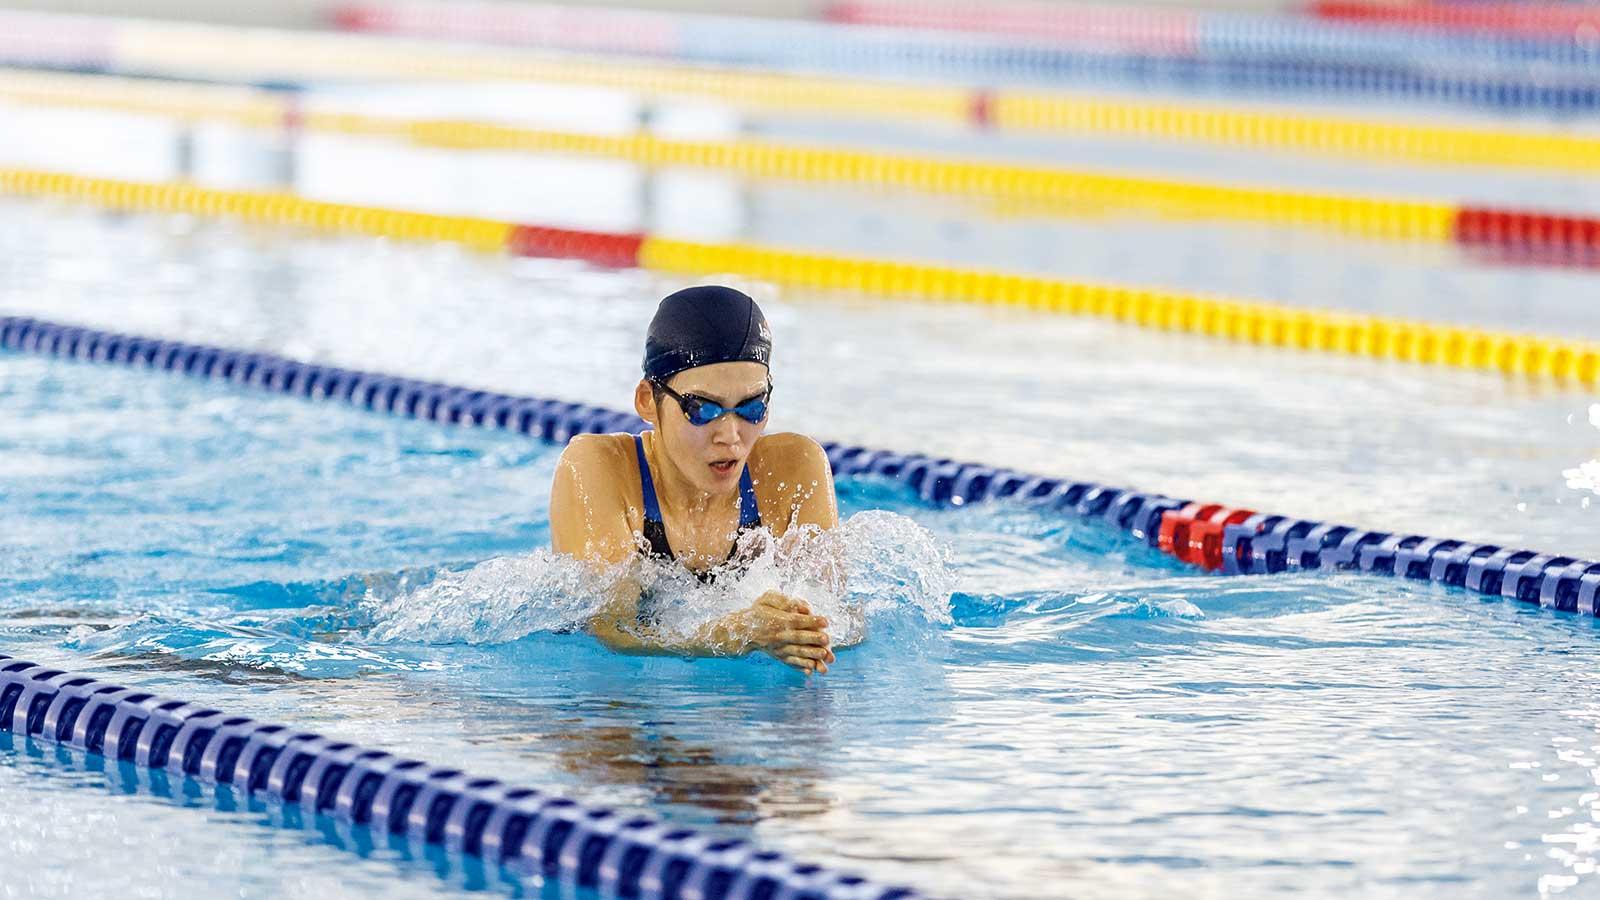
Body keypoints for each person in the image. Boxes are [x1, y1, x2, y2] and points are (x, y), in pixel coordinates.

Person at [550, 285, 840, 674]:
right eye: (702, 409)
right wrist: (737, 632)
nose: (731, 435)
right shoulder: (601, 470)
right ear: (646, 401)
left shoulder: (795, 470)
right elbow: (611, 631)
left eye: (752, 407)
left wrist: (803, 630)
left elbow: (836, 616)